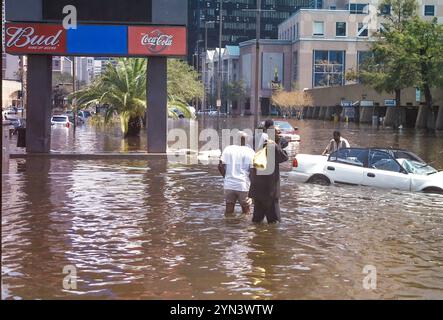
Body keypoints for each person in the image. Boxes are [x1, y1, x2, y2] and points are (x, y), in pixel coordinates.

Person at [249, 126, 289, 224]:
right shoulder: (272, 145)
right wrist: (277, 143)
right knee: (274, 222)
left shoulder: (258, 144)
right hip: (270, 191)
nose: (280, 135)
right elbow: (284, 157)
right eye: (278, 132)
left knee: (257, 221)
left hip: (258, 190)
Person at [218, 131, 256, 216]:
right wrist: (253, 185)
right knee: (246, 211)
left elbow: (220, 166)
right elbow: (253, 171)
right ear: (247, 141)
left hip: (229, 185)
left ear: (235, 140)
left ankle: (228, 227)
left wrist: (226, 177)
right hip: (243, 185)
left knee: (229, 210)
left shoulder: (228, 149)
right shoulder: (250, 152)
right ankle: (245, 228)